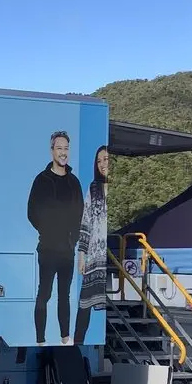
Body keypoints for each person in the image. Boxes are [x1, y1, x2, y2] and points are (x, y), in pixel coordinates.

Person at [26, 130, 84, 345]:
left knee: (64, 296)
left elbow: (80, 213)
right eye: (59, 148)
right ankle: (40, 339)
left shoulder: (74, 182)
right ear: (52, 151)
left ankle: (65, 338)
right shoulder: (41, 180)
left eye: (66, 148)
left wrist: (73, 239)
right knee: (44, 294)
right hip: (47, 248)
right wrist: (47, 231)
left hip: (67, 250)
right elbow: (32, 211)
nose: (63, 152)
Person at [72, 145, 109, 345]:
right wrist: (81, 255)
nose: (102, 164)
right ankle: (76, 344)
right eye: (99, 161)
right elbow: (85, 222)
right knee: (84, 305)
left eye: (106, 159)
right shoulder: (94, 188)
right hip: (95, 256)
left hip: (112, 258)